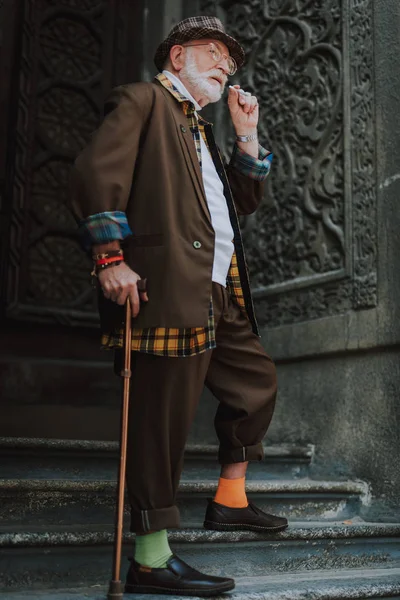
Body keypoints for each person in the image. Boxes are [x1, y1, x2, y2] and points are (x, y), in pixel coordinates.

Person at [71, 15, 288, 597]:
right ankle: (149, 559)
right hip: (165, 288)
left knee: (254, 383)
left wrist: (247, 135)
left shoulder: (203, 131)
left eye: (230, 61)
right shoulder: (143, 101)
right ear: (176, 58)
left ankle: (229, 500)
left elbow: (243, 201)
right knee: (161, 420)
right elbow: (97, 172)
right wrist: (110, 258)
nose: (225, 66)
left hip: (218, 291)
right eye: (213, 53)